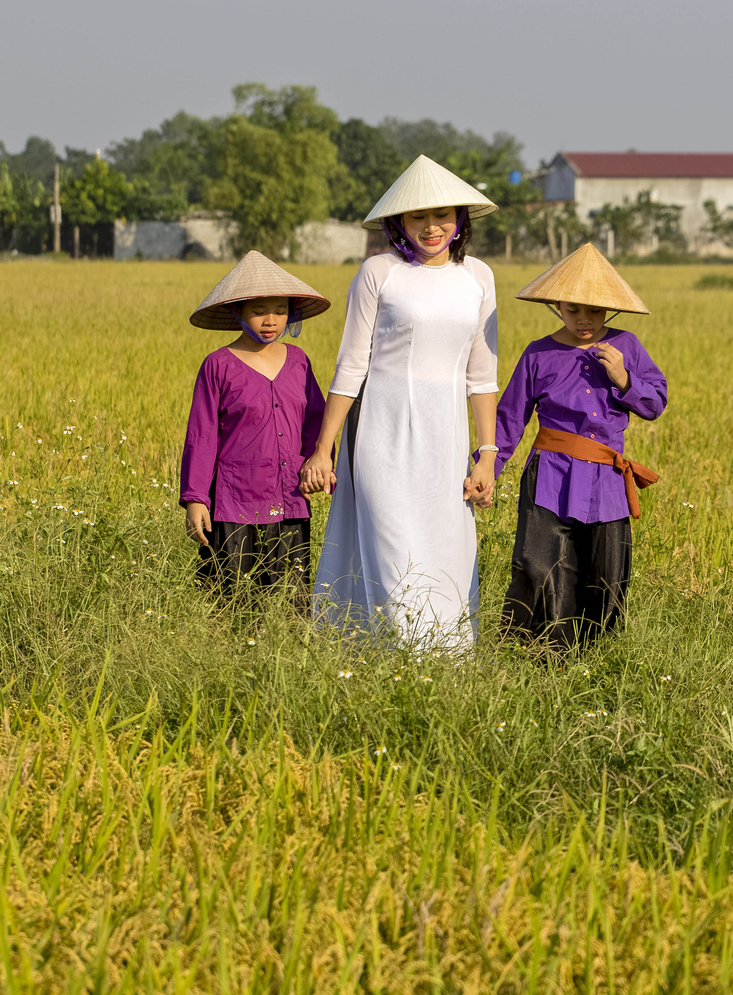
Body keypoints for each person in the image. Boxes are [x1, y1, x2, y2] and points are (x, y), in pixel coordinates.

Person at [303, 156, 500, 650]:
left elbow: (482, 376)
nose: (431, 228)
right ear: (399, 222)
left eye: (443, 216)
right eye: (418, 217)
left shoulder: (479, 276)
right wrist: (324, 449)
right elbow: (351, 366)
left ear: (461, 219)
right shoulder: (378, 272)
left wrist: (488, 455)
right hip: (382, 431)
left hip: (446, 436)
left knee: (445, 548)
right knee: (391, 545)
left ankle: (445, 664)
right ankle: (403, 661)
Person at [493, 244, 667, 647]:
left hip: (607, 479)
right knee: (539, 567)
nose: (584, 320)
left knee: (605, 572)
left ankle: (595, 661)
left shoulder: (628, 347)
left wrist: (624, 378)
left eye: (594, 311)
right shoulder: (539, 353)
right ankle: (536, 658)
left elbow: (655, 403)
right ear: (556, 306)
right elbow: (510, 417)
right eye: (573, 310)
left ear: (609, 310)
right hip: (550, 474)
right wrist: (488, 469)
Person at [179, 250, 330, 605]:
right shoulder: (218, 365)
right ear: (238, 312)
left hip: (290, 497)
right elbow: (201, 436)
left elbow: (315, 421)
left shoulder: (298, 361)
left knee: (291, 601)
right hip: (233, 502)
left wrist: (316, 465)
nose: (270, 320)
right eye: (259, 310)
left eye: (279, 309)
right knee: (232, 600)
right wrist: (195, 499)